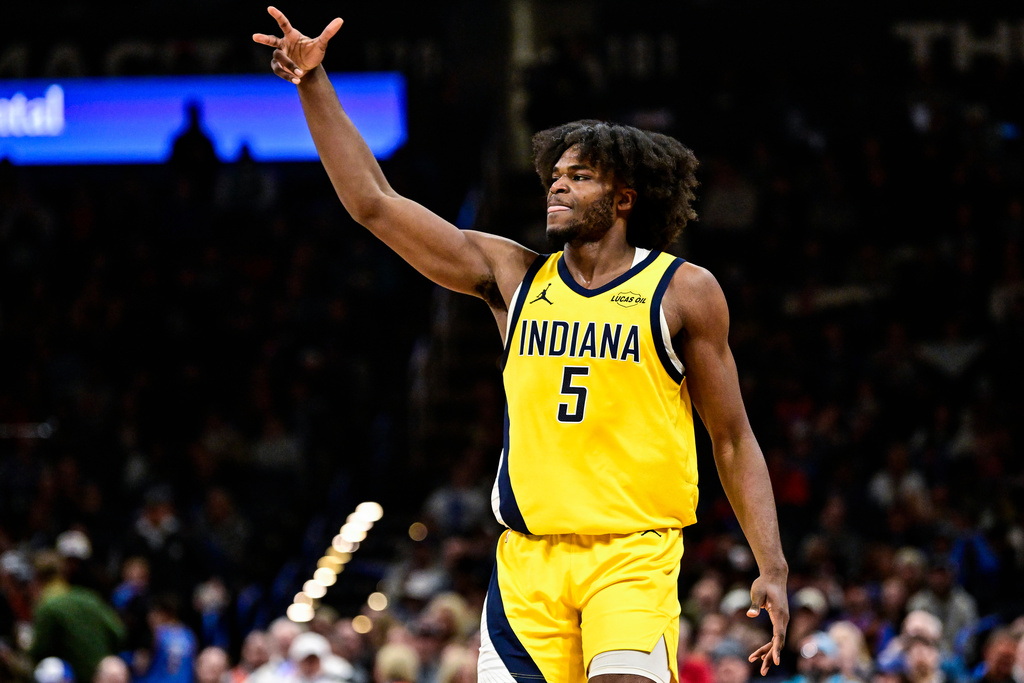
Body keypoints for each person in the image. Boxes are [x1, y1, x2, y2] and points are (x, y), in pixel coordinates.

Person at [253, 8, 790, 683]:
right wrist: (312, 84)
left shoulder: (684, 291)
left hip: (630, 554)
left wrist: (770, 563)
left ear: (623, 199)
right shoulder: (512, 275)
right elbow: (375, 204)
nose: (557, 184)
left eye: (580, 175)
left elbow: (733, 437)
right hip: (526, 564)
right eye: (554, 173)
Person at [28, 552, 126, 683]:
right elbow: (119, 632)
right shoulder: (88, 597)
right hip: (103, 674)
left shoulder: (47, 606)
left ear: (36, 580)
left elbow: (38, 652)